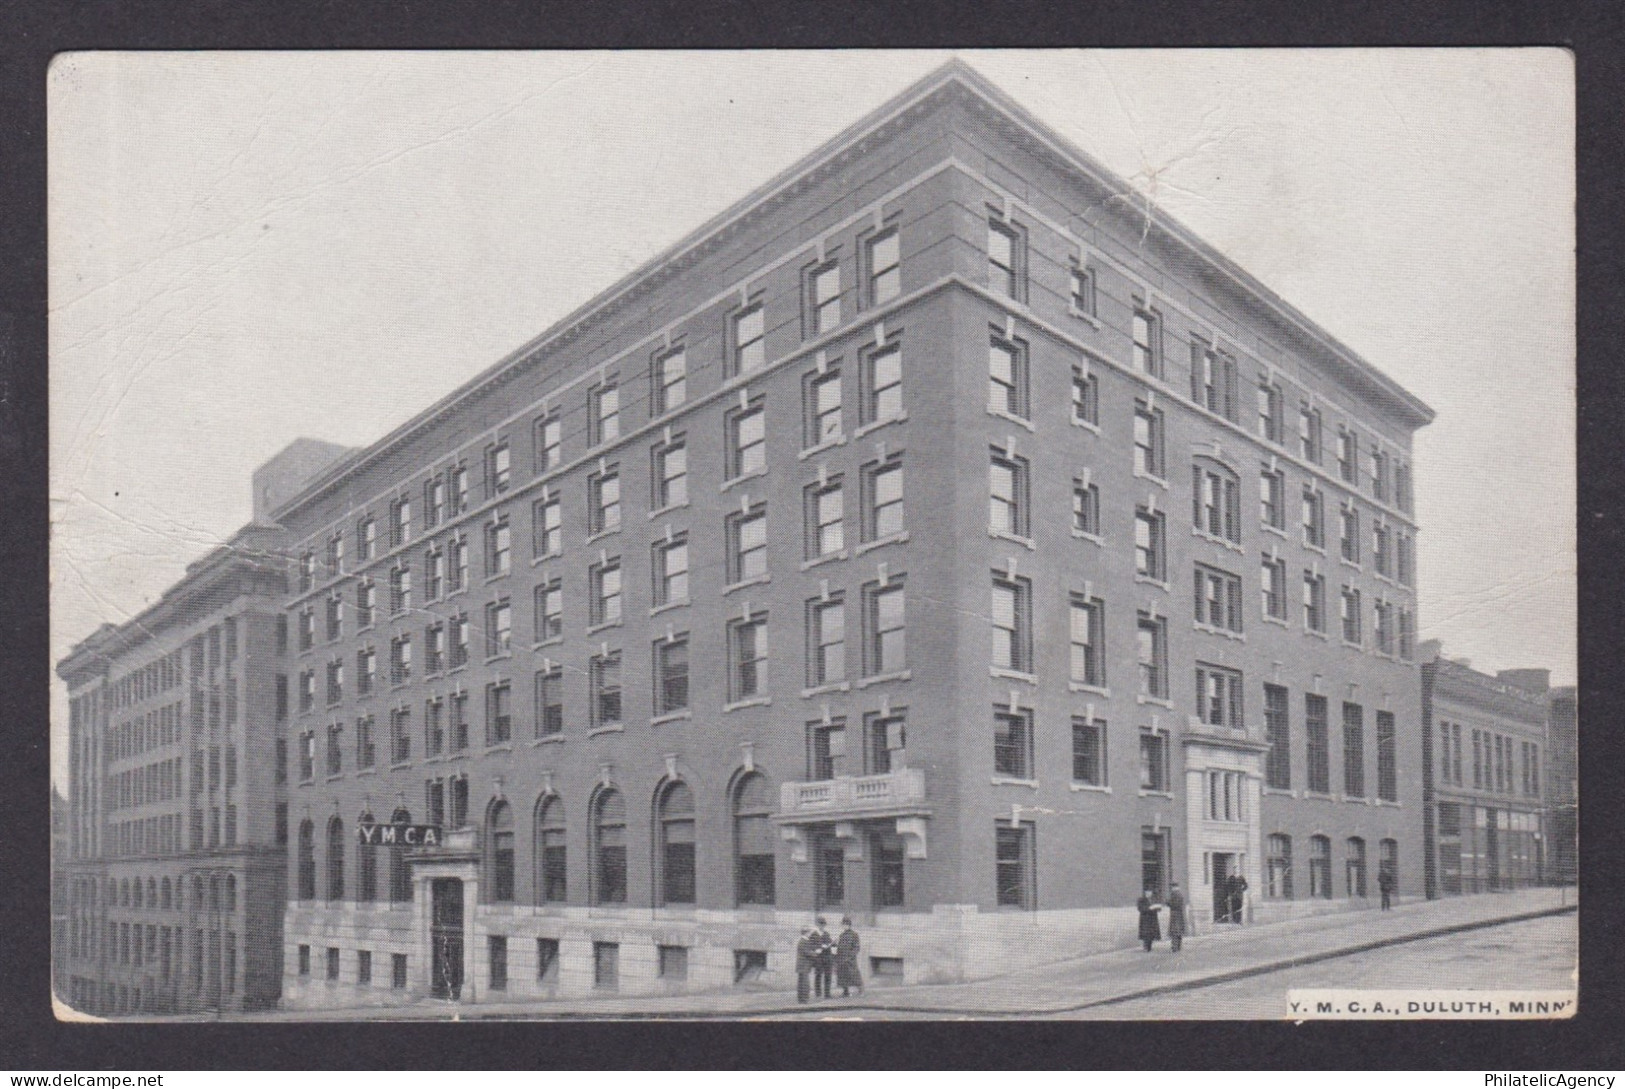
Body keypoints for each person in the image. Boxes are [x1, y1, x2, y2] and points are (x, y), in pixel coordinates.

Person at [835, 916, 863, 997]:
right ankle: (845, 991)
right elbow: (840, 946)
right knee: (842, 975)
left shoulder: (854, 935)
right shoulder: (841, 935)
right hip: (841, 958)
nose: (845, 926)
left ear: (849, 925)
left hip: (850, 959)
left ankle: (861, 990)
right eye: (843, 924)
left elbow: (856, 947)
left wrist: (851, 956)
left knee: (854, 974)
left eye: (846, 924)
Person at [812, 916, 835, 999]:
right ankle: (818, 993)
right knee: (818, 975)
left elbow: (830, 943)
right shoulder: (814, 935)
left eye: (823, 924)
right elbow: (812, 946)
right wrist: (820, 946)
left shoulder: (826, 934)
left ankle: (827, 994)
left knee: (828, 975)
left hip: (827, 958)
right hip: (818, 959)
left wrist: (833, 943)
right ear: (817, 925)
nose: (822, 926)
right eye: (820, 924)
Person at [794, 927, 815, 1004]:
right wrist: (815, 953)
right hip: (804, 965)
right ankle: (804, 999)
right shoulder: (803, 941)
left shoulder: (802, 941)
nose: (810, 934)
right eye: (809, 933)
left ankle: (801, 999)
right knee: (804, 983)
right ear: (806, 933)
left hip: (802, 965)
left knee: (801, 982)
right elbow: (807, 952)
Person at [1166, 881, 1188, 952]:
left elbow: (1174, 904)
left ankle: (1174, 947)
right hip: (1180, 915)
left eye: (1172, 887)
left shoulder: (1174, 894)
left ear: (1173, 887)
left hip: (1175, 915)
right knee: (1179, 931)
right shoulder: (1180, 894)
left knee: (1174, 931)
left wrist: (1167, 902)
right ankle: (1178, 946)